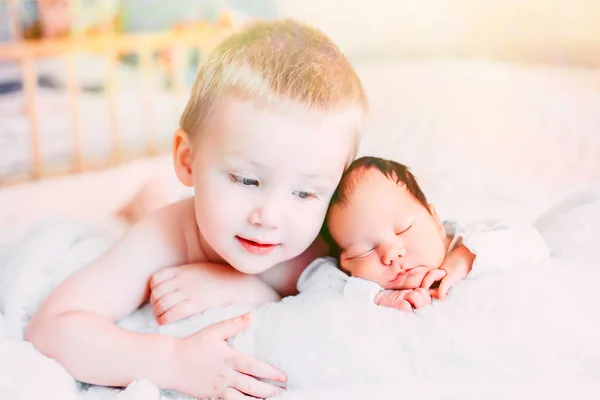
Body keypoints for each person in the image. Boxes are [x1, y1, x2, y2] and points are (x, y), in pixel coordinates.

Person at [25, 20, 475, 400]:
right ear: (187, 160)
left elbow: (431, 250)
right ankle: (144, 196)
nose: (271, 216)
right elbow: (52, 328)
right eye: (246, 180)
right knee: (152, 208)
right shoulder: (163, 236)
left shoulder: (329, 240)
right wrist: (171, 361)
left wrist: (236, 285)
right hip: (173, 220)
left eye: (306, 193)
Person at [310, 156, 550, 312]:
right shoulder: (349, 278)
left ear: (434, 219)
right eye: (367, 250)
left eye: (404, 228)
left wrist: (466, 258)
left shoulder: (469, 239)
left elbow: (533, 243)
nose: (391, 254)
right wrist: (377, 297)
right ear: (346, 262)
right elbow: (313, 279)